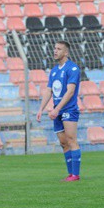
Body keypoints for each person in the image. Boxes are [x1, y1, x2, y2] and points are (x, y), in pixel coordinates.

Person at [36, 41, 82, 181]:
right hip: (58, 111)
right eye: (54, 48)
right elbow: (49, 90)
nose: (55, 51)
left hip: (69, 109)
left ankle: (75, 174)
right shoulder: (54, 70)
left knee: (71, 140)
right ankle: (70, 174)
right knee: (63, 143)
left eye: (59, 49)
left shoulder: (72, 68)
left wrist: (57, 108)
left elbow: (70, 91)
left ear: (66, 52)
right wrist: (40, 109)